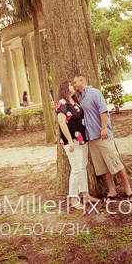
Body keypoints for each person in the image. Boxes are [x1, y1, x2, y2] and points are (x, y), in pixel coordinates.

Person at [73, 74, 132, 205]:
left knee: (115, 163)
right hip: (91, 139)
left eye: (75, 82)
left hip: (103, 136)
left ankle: (128, 189)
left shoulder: (95, 93)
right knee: (104, 168)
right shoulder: (80, 98)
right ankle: (112, 191)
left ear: (82, 80)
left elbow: (103, 111)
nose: (74, 85)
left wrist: (103, 129)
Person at [56, 80, 97, 210]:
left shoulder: (76, 102)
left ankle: (85, 194)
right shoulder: (62, 103)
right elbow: (62, 123)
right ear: (64, 88)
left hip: (82, 140)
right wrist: (69, 140)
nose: (73, 86)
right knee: (76, 169)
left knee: (83, 166)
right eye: (70, 85)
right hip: (72, 142)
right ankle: (73, 198)